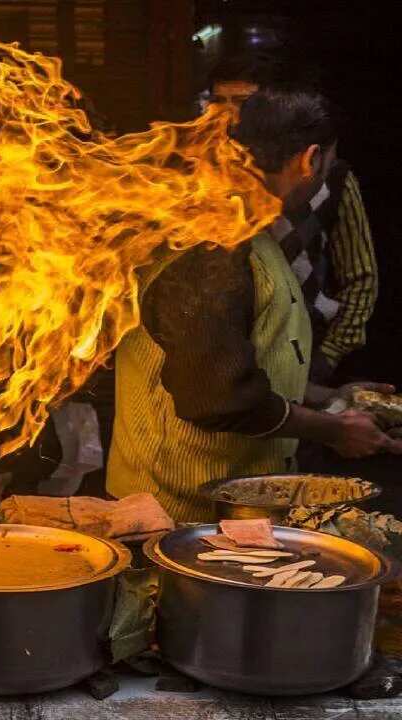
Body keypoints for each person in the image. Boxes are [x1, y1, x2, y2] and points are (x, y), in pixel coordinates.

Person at [107, 87, 401, 521]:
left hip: (231, 509)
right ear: (311, 159)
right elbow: (216, 396)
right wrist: (336, 430)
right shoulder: (211, 242)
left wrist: (330, 398)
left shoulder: (246, 226)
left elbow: (240, 358)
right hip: (172, 516)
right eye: (327, 166)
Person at [208, 54, 378, 383]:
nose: (228, 115)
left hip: (306, 350)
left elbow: (361, 278)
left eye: (243, 102)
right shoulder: (200, 179)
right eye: (218, 102)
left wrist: (327, 358)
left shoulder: (330, 177)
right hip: (227, 362)